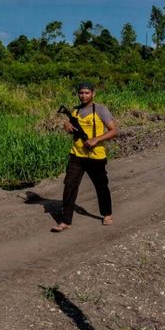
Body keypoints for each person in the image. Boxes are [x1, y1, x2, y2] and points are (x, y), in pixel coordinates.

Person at [51, 82, 118, 232]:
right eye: (81, 93)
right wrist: (66, 126)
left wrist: (96, 139)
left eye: (87, 93)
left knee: (101, 186)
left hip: (96, 156)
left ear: (93, 93)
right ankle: (65, 221)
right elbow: (71, 129)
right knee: (69, 185)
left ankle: (107, 214)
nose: (84, 95)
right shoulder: (75, 111)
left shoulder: (101, 110)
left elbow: (114, 131)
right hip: (77, 155)